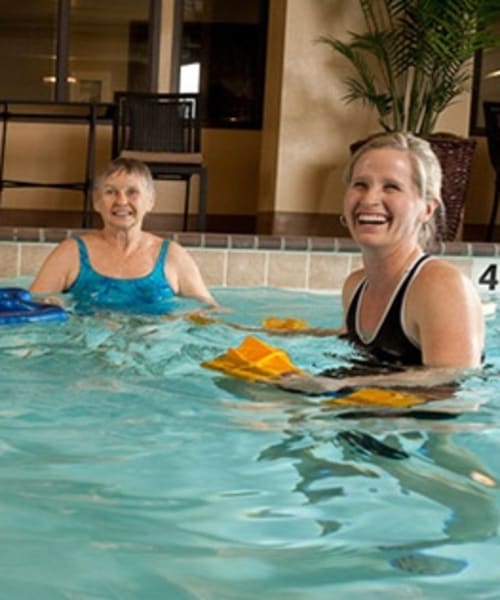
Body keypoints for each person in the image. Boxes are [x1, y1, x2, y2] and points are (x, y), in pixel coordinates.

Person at [280, 132, 484, 395]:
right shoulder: (355, 286)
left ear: (427, 209)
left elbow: (455, 383)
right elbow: (346, 337)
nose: (369, 199)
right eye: (360, 184)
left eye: (391, 187)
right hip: (369, 415)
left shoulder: (441, 287)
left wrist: (341, 385)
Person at [30, 157, 217, 313]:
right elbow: (28, 308)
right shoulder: (71, 254)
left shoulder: (172, 256)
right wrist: (50, 307)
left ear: (150, 201)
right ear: (96, 202)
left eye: (132, 192)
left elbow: (209, 312)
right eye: (110, 192)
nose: (121, 201)